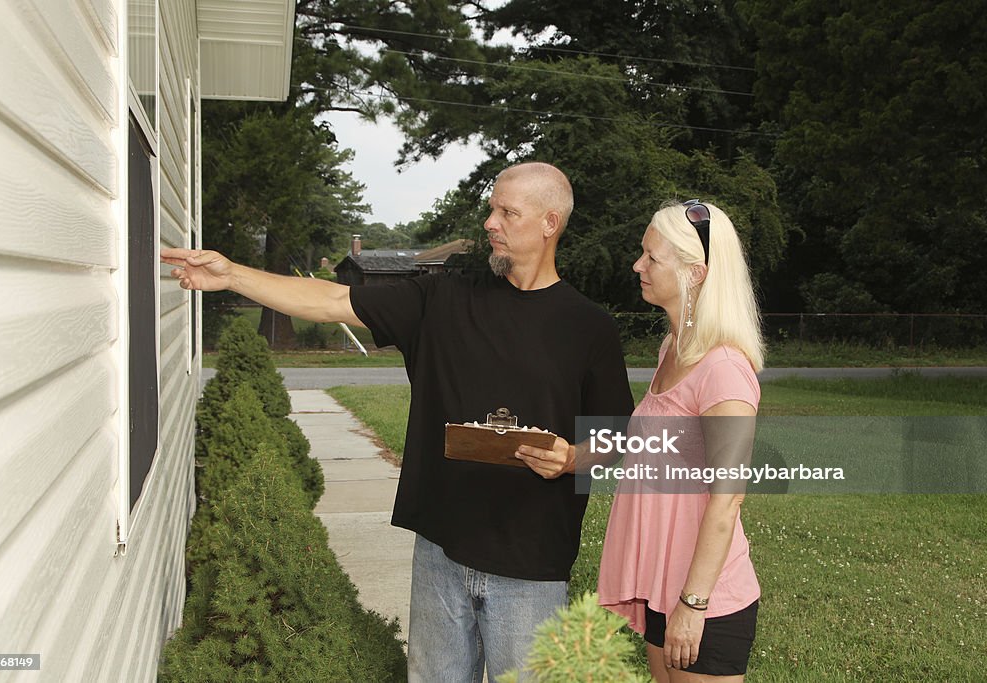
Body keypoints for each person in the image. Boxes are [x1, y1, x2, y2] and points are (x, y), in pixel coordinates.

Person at [161, 162, 634, 682]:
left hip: (532, 565)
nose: (490, 222)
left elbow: (614, 440)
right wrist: (232, 275)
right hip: (440, 552)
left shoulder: (589, 327)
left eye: (507, 212)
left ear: (550, 223)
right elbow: (333, 300)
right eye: (491, 208)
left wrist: (572, 459)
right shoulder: (444, 299)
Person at [596, 200, 765, 682]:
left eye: (652, 257)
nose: (638, 266)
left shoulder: (724, 369)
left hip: (704, 598)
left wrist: (693, 605)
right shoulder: (671, 349)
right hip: (663, 590)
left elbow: (727, 498)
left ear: (695, 273)